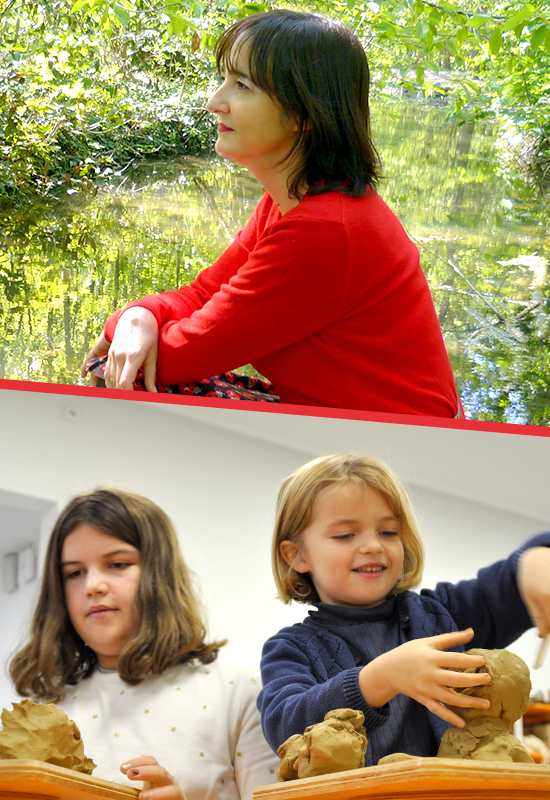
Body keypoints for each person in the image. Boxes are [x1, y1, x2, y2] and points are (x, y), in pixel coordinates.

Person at [82, 10, 461, 417]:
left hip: (405, 450)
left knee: (122, 373)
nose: (215, 102)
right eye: (224, 80)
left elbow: (184, 354)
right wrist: (139, 315)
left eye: (241, 85)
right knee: (127, 363)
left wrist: (120, 329)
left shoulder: (326, 230)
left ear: (303, 114)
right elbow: (205, 294)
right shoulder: (292, 202)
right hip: (354, 424)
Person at [257, 453, 550, 765]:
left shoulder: (442, 613)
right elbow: (285, 725)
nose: (374, 546)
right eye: (345, 535)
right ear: (296, 555)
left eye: (388, 532)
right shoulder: (289, 649)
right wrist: (381, 678)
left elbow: (504, 588)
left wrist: (533, 561)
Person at [10, 488, 278, 800]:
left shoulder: (240, 690)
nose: (92, 585)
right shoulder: (44, 709)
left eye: (117, 564)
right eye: (74, 573)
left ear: (159, 572)